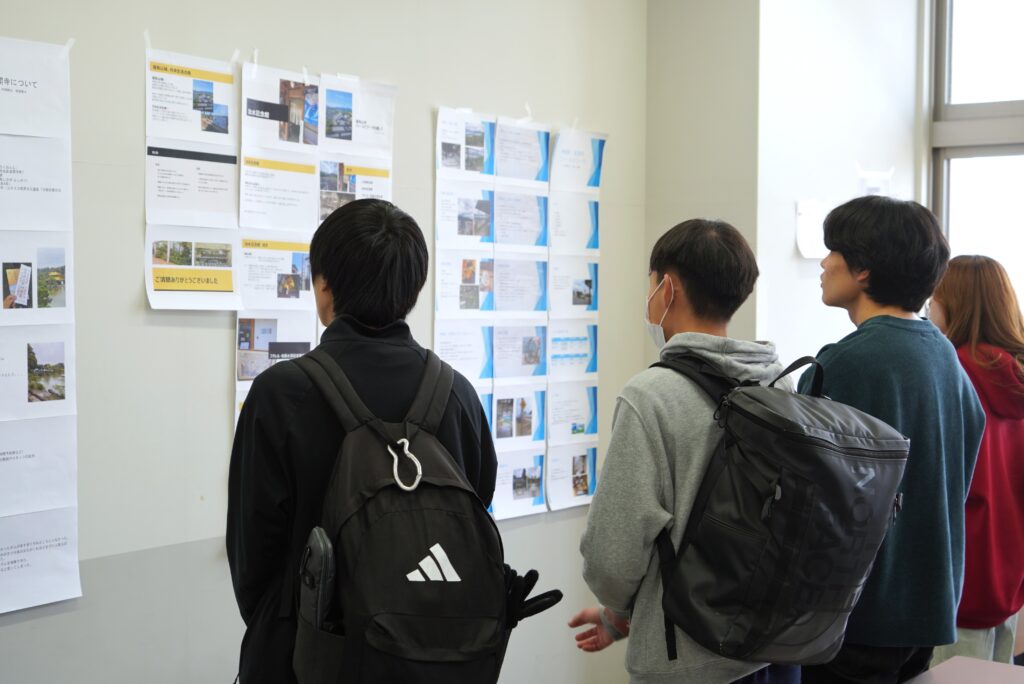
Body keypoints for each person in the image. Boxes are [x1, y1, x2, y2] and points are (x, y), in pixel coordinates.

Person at [226, 199, 497, 684]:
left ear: (324, 284)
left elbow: (252, 563)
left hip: (303, 660)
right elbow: (475, 514)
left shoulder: (281, 394)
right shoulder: (458, 395)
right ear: (414, 287)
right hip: (432, 661)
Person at [571, 218, 799, 683]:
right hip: (774, 648)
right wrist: (620, 618)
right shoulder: (779, 383)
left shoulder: (651, 397)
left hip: (687, 660)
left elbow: (614, 556)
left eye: (651, 283)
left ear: (667, 288)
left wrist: (617, 608)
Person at [798, 196, 985, 684]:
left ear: (863, 269)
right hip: (926, 606)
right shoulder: (943, 355)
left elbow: (805, 501)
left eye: (834, 251)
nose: (824, 263)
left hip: (856, 616)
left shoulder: (844, 364)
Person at [926, 255, 1024, 667]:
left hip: (961, 577)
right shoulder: (1015, 372)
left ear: (956, 305)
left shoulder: (954, 372)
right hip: (1009, 572)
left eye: (934, 297)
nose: (929, 307)